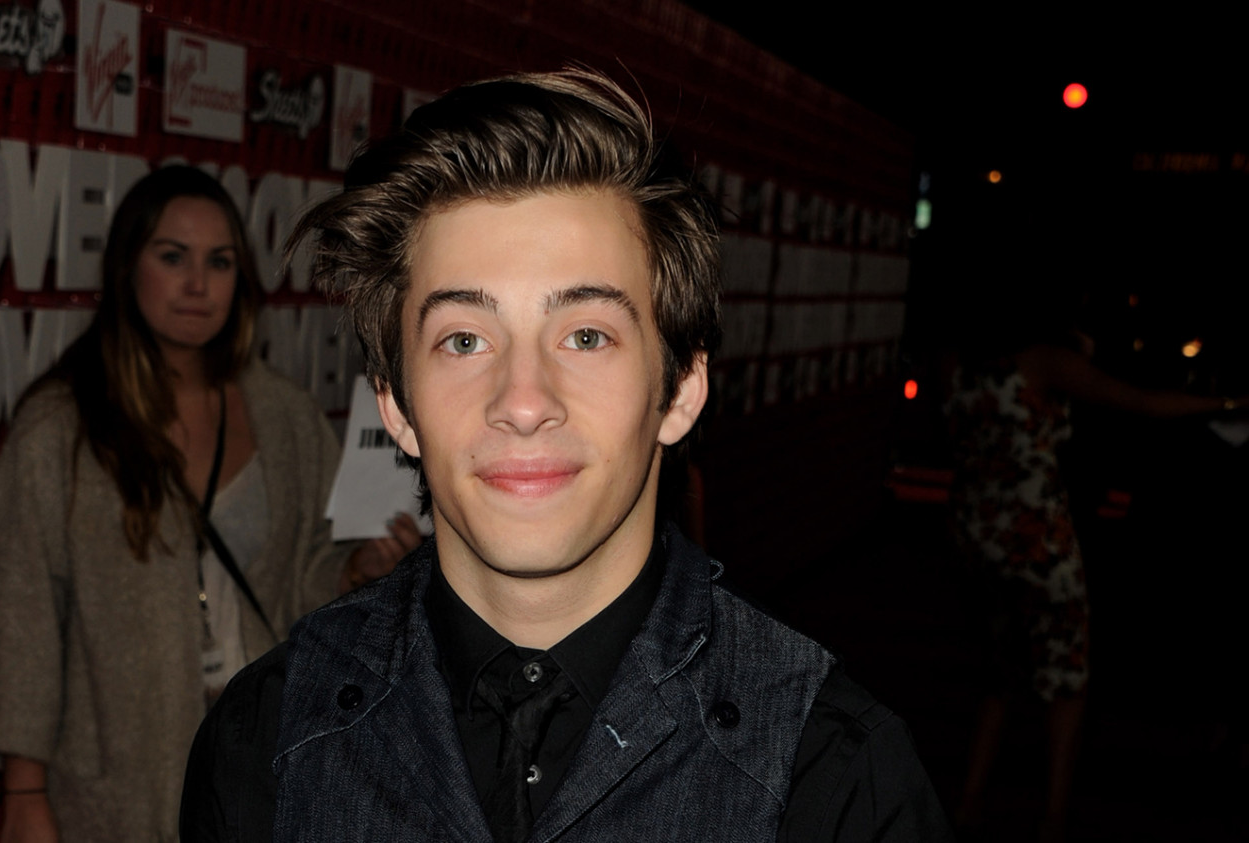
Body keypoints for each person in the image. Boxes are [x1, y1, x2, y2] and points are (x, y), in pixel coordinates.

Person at [179, 70, 951, 842]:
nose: (523, 401)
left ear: (680, 389)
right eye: (464, 339)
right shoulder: (266, 744)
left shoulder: (835, 779)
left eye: (586, 335)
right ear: (396, 406)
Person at [0, 165, 420, 843]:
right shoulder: (63, 425)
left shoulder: (283, 415)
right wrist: (24, 792)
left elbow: (305, 575)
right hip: (114, 779)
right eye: (173, 257)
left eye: (219, 262)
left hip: (261, 759)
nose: (198, 283)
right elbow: (21, 618)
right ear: (127, 268)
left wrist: (354, 572)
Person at [945, 306, 1246, 841]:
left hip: (976, 531)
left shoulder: (960, 361)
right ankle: (1053, 817)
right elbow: (1140, 402)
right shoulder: (1044, 361)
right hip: (1037, 539)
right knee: (1067, 679)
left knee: (998, 676)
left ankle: (969, 802)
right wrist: (1229, 403)